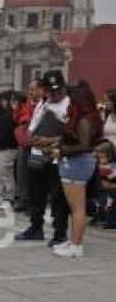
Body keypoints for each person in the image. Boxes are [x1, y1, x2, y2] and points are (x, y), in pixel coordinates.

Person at [15, 71, 70, 246]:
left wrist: (50, 141)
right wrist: (32, 138)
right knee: (35, 195)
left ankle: (60, 232)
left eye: (57, 90)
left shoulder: (69, 104)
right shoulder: (42, 104)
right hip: (37, 156)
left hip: (56, 158)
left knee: (57, 198)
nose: (54, 94)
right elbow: (32, 127)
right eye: (50, 91)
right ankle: (36, 227)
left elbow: (72, 134)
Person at [51, 83, 103, 257]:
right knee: (75, 207)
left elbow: (84, 145)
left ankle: (76, 245)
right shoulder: (84, 117)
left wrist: (62, 150)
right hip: (75, 162)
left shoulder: (84, 120)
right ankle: (73, 240)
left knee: (77, 208)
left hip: (77, 163)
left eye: (72, 99)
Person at [12, 85, 38, 211]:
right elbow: (16, 119)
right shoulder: (26, 104)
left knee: (33, 172)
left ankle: (31, 200)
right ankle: (21, 198)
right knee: (21, 171)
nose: (30, 92)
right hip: (23, 142)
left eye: (33, 89)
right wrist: (17, 108)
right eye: (29, 90)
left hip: (35, 141)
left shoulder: (40, 104)